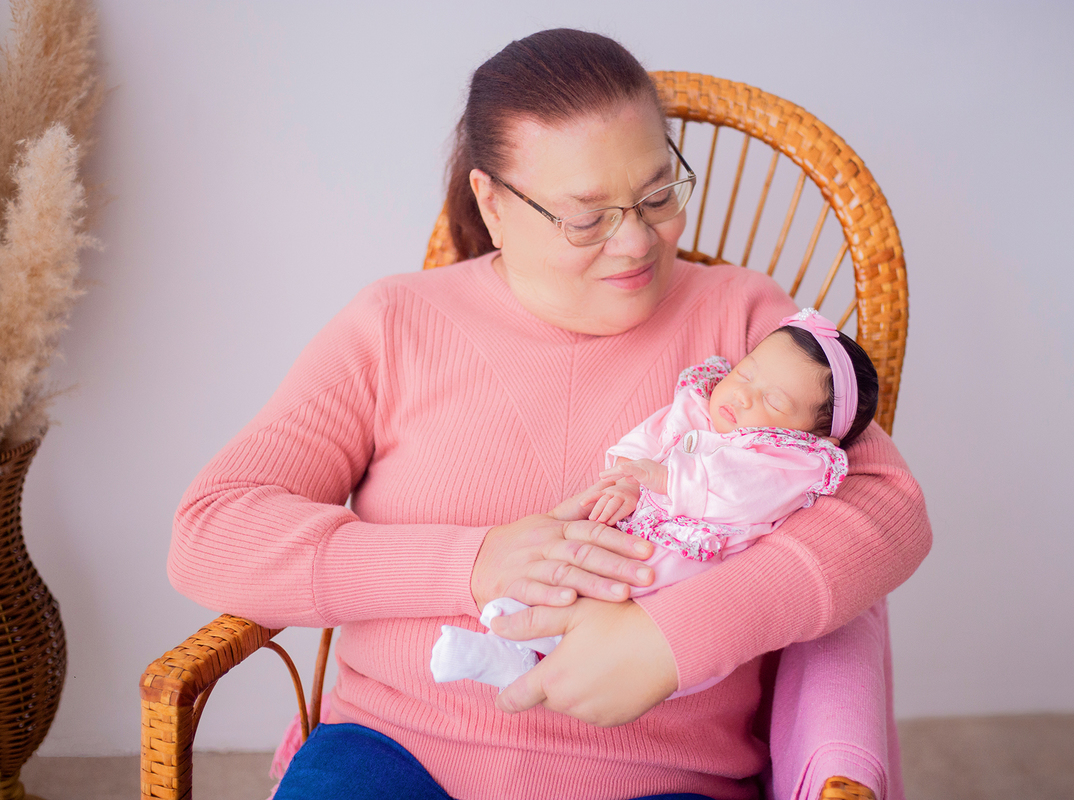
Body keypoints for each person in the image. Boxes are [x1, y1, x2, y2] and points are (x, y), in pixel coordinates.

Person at [168, 28, 930, 800]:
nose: (637, 242)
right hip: (391, 754)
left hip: (659, 780)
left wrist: (673, 639)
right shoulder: (394, 324)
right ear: (493, 203)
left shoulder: (745, 327)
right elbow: (212, 531)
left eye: (657, 196)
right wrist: (473, 564)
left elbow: (890, 509)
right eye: (586, 217)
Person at [429, 309, 881, 697]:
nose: (742, 393)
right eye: (746, 373)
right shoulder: (698, 404)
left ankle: (537, 653)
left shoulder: (792, 462)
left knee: (624, 590)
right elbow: (651, 436)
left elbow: (741, 493)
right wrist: (629, 477)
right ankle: (511, 644)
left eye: (774, 401)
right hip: (639, 525)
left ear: (812, 436)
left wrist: (665, 478)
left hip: (688, 565)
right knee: (574, 561)